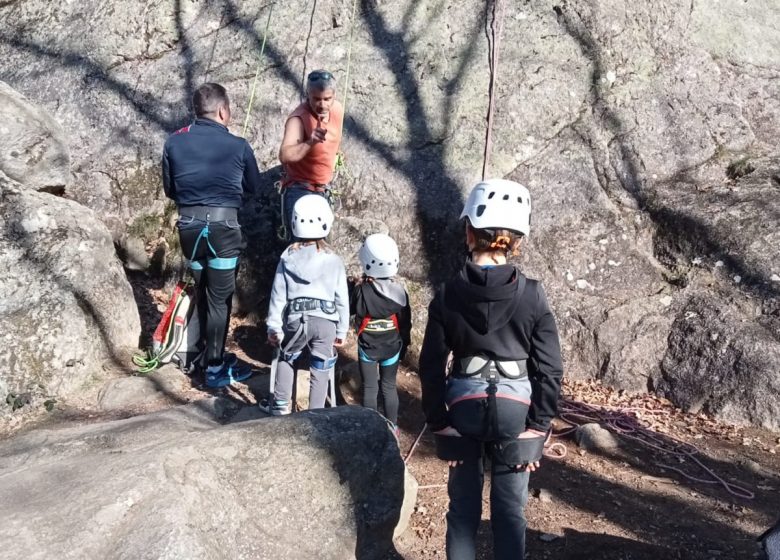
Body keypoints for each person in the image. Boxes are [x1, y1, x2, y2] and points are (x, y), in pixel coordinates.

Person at [418, 179, 564, 560]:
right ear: (516, 240)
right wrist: (539, 425)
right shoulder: (533, 294)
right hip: (517, 411)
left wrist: (440, 424)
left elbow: (431, 365)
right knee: (510, 513)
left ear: (469, 232)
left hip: (463, 408)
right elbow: (549, 368)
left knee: (462, 512)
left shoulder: (448, 294)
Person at [162, 82, 260, 388]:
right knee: (219, 300)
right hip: (223, 230)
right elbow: (254, 188)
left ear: (196, 111)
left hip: (190, 229)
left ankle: (206, 354)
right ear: (223, 110)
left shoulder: (173, 143)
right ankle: (216, 368)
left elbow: (170, 190)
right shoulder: (239, 146)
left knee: (205, 293)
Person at [263, 194, 349, 415]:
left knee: (286, 355)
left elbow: (278, 295)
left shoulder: (287, 258)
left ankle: (281, 405)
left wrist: (274, 326)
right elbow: (341, 299)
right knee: (321, 366)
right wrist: (342, 330)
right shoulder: (334, 260)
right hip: (326, 320)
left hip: (296, 318)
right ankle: (316, 413)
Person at [351, 234, 412, 432]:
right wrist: (404, 348)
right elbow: (405, 324)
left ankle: (371, 427)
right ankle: (392, 426)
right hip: (392, 347)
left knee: (370, 387)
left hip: (368, 347)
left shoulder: (360, 291)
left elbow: (354, 311)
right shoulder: (400, 294)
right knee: (388, 386)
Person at [277, 70, 343, 239]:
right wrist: (309, 142)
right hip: (300, 191)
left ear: (334, 96)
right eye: (316, 99)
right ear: (307, 95)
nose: (322, 105)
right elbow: (284, 155)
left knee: (322, 250)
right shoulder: (298, 119)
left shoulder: (337, 110)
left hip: (323, 190)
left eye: (327, 99)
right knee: (303, 248)